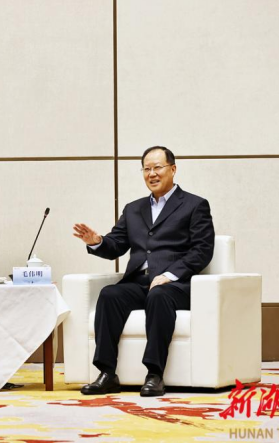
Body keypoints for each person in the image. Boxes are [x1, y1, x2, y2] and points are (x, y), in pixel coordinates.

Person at [72, 146, 214, 397]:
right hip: (140, 281)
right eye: (147, 169)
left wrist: (169, 275)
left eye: (157, 167)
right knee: (110, 295)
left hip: (176, 285)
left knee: (158, 295)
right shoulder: (133, 209)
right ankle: (107, 373)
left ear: (173, 169)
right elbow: (116, 245)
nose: (152, 174)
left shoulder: (195, 205)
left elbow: (202, 250)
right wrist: (97, 241)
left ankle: (154, 374)